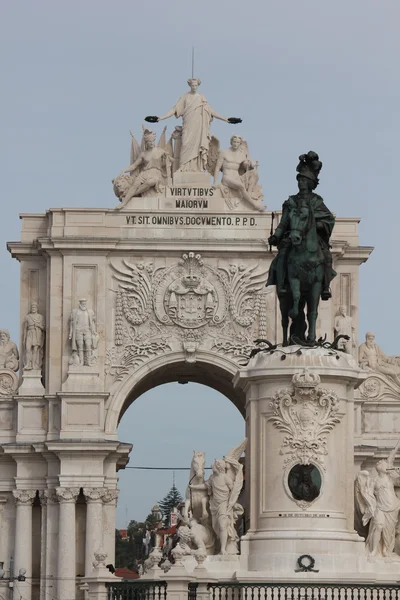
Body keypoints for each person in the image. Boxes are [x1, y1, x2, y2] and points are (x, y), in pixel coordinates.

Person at [267, 151, 336, 300]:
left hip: (313, 239)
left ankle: (325, 287)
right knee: (282, 255)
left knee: (326, 255)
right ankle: (282, 284)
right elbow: (284, 221)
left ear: (310, 183)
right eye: (299, 180)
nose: (301, 183)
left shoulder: (317, 201)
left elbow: (329, 219)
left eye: (304, 180)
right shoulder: (291, 201)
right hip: (292, 236)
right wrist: (276, 236)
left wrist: (318, 225)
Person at [150, 79, 240, 172]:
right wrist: (161, 117)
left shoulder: (201, 98)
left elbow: (210, 111)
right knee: (185, 144)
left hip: (199, 127)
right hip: (188, 126)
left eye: (196, 85)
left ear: (198, 86)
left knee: (198, 147)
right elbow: (174, 109)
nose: (194, 87)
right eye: (192, 85)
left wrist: (226, 119)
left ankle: (197, 168)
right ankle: (183, 167)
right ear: (190, 86)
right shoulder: (185, 97)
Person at [355, 441, 400, 557]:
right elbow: (367, 495)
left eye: (383, 462)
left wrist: (397, 446)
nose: (381, 461)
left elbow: (391, 456)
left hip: (393, 507)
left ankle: (386, 550)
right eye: (380, 461)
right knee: (378, 525)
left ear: (387, 468)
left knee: (388, 532)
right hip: (379, 508)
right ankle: (374, 550)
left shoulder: (390, 477)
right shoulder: (373, 481)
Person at [118, 130, 171, 203]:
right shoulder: (143, 154)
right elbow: (134, 166)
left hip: (156, 174)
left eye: (153, 141)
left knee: (150, 182)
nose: (152, 143)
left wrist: (166, 158)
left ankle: (132, 194)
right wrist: (124, 170)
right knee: (134, 185)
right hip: (144, 173)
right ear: (146, 142)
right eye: (149, 141)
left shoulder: (160, 151)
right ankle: (123, 203)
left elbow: (170, 162)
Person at [213, 135, 263, 212]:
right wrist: (215, 182)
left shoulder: (241, 155)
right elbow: (217, 168)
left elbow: (246, 165)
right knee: (241, 186)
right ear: (231, 142)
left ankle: (249, 193)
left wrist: (251, 164)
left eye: (237, 142)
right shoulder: (224, 152)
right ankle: (255, 205)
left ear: (240, 143)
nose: (235, 144)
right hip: (227, 178)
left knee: (255, 174)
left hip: (237, 177)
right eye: (234, 142)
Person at [69, 299, 97, 366]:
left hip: (87, 330)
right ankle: (81, 362)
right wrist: (71, 333)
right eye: (83, 303)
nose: (84, 305)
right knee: (80, 346)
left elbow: (92, 323)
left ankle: (89, 361)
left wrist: (93, 331)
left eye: (85, 303)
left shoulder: (90, 312)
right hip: (78, 330)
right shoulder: (75, 312)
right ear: (80, 304)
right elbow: (72, 323)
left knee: (88, 344)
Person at [23, 302, 45, 370]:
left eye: (34, 307)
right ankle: (27, 364)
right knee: (27, 349)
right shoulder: (27, 317)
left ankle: (34, 364)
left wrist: (38, 325)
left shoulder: (41, 317)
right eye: (32, 307)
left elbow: (44, 328)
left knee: (35, 350)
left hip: (37, 333)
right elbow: (25, 328)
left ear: (37, 309)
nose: (33, 308)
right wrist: (24, 338)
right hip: (29, 333)